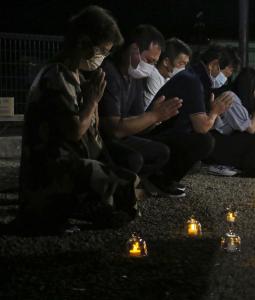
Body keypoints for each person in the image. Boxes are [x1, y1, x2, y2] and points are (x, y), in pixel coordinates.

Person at [14, 6, 138, 234]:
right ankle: (54, 212)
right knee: (117, 183)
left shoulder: (75, 76)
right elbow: (74, 132)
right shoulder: (55, 76)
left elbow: (94, 136)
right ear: (82, 43)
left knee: (125, 173)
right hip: (48, 170)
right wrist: (92, 101)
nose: (103, 58)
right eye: (102, 50)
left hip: (67, 161)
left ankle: (85, 208)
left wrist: (93, 105)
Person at [99, 25, 183, 197]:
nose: (151, 67)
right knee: (133, 158)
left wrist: (156, 118)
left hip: (122, 135)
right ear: (133, 49)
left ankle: (131, 185)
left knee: (162, 152)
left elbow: (138, 123)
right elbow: (114, 129)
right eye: (150, 60)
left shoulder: (133, 77)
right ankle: (112, 193)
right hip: (101, 139)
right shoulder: (109, 72)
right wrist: (153, 115)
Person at [145, 44, 234, 192]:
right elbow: (202, 126)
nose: (223, 78)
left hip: (168, 131)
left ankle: (167, 178)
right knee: (204, 141)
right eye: (224, 73)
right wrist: (215, 112)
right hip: (155, 133)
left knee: (204, 140)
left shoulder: (196, 77)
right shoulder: (192, 80)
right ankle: (161, 178)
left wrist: (212, 112)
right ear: (214, 64)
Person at [205, 67, 255, 177]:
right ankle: (221, 164)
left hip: (222, 139)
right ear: (249, 86)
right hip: (216, 143)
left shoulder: (241, 99)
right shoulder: (231, 97)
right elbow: (251, 129)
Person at [143, 37, 192, 109]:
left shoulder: (168, 78)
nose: (183, 69)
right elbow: (151, 111)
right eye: (181, 63)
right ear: (166, 62)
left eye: (185, 64)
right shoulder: (153, 76)